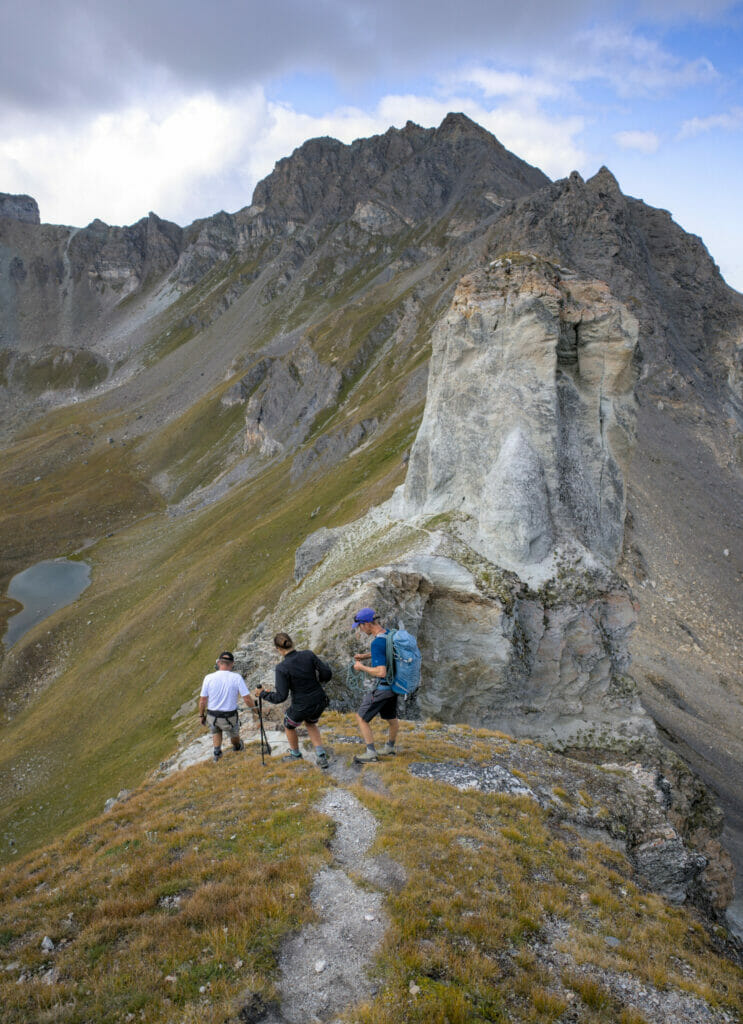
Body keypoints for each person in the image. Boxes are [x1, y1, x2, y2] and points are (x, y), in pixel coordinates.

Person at [255, 632, 332, 769]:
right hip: (320, 700)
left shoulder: (282, 668)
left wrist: (263, 694)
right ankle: (321, 755)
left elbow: (281, 697)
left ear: (278, 649)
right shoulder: (308, 654)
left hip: (301, 705)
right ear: (291, 642)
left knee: (289, 725)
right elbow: (327, 673)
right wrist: (318, 683)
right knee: (310, 723)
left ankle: (295, 754)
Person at [351, 607, 398, 763]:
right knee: (391, 718)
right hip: (394, 686)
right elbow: (387, 652)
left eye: (360, 626)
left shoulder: (377, 643)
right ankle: (390, 747)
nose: (360, 629)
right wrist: (365, 656)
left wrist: (361, 667)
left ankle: (371, 753)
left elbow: (381, 672)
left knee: (361, 717)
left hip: (383, 687)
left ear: (366, 624)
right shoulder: (389, 633)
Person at [199, 651, 255, 762]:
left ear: (219, 662)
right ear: (232, 664)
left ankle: (217, 753)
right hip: (229, 716)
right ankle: (237, 747)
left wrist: (201, 715)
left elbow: (202, 701)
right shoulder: (236, 677)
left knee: (216, 731)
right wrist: (254, 709)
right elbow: (247, 698)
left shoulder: (208, 678)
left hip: (212, 715)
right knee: (233, 733)